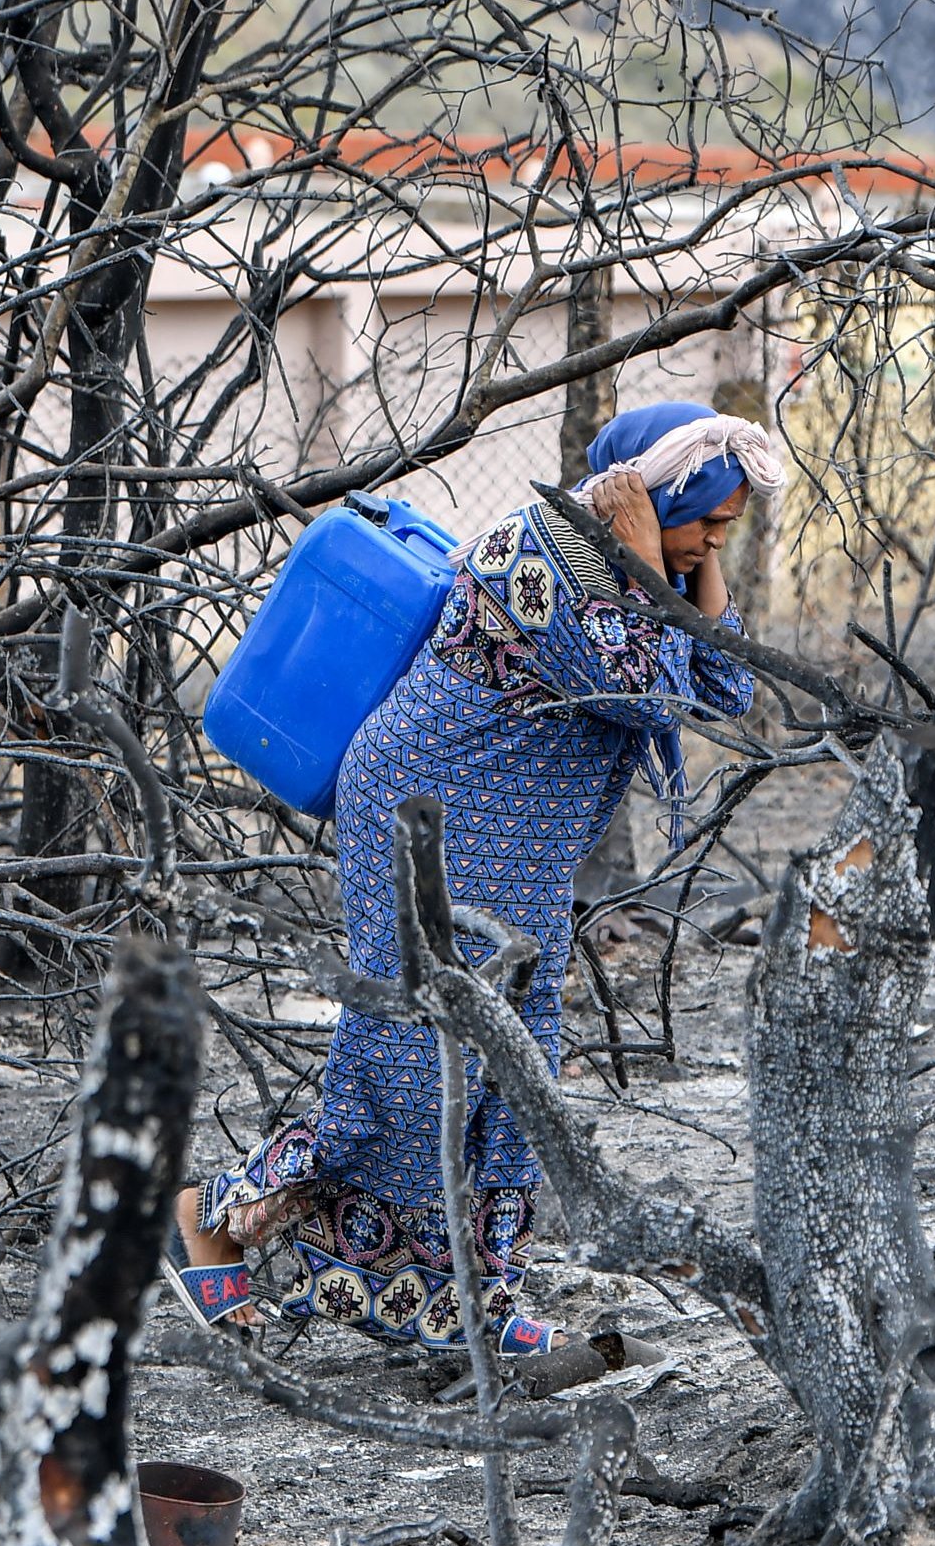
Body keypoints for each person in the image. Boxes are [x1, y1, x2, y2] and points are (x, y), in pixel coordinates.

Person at [166, 400, 781, 1355]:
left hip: (512, 847)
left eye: (726, 528)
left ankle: (465, 1306)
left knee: (508, 1073)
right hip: (427, 819)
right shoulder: (546, 556)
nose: (714, 540)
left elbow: (726, 684)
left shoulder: (626, 567)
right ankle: (212, 1211)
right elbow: (648, 690)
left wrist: (686, 564)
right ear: (651, 497)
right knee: (409, 1062)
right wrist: (652, 559)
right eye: (706, 518)